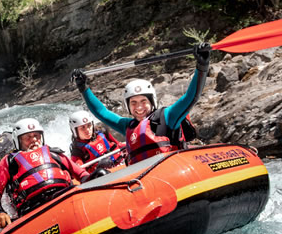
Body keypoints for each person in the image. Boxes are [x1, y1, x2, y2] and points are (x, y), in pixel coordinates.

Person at [70, 42, 210, 165]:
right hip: (143, 181)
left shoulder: (167, 116)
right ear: (128, 106)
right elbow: (101, 112)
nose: (139, 107)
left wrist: (202, 66)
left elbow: (191, 97)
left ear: (152, 101)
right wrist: (83, 88)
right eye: (133, 103)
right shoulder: (127, 126)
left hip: (172, 171)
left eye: (143, 101)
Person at [0, 118, 89, 228]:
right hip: (31, 208)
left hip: (64, 196)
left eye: (37, 135)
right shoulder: (9, 162)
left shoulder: (53, 153)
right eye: (28, 137)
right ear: (18, 141)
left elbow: (81, 174)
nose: (34, 140)